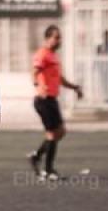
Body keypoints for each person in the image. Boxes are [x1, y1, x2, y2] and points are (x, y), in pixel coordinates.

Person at [28, 25, 83, 181]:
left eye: (60, 37)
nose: (59, 40)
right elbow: (34, 71)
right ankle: (49, 170)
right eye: (56, 37)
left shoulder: (53, 56)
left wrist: (74, 87)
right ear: (48, 38)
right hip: (43, 100)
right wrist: (38, 85)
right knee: (53, 134)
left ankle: (36, 156)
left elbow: (59, 79)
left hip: (52, 100)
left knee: (60, 132)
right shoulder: (42, 54)